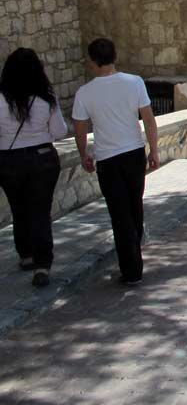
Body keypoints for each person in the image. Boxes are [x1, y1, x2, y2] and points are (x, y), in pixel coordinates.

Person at [73, 39, 160, 286]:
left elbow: (80, 129)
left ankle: (131, 267)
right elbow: (149, 120)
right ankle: (135, 251)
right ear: (115, 56)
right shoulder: (134, 82)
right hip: (133, 153)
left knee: (119, 212)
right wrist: (154, 150)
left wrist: (83, 155)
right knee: (134, 206)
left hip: (107, 159)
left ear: (92, 61)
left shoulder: (85, 93)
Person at [0, 48, 68, 288]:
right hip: (42, 158)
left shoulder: (0, 99)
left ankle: (26, 255)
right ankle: (42, 264)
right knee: (40, 211)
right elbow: (60, 131)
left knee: (19, 209)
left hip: (8, 161)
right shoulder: (45, 98)